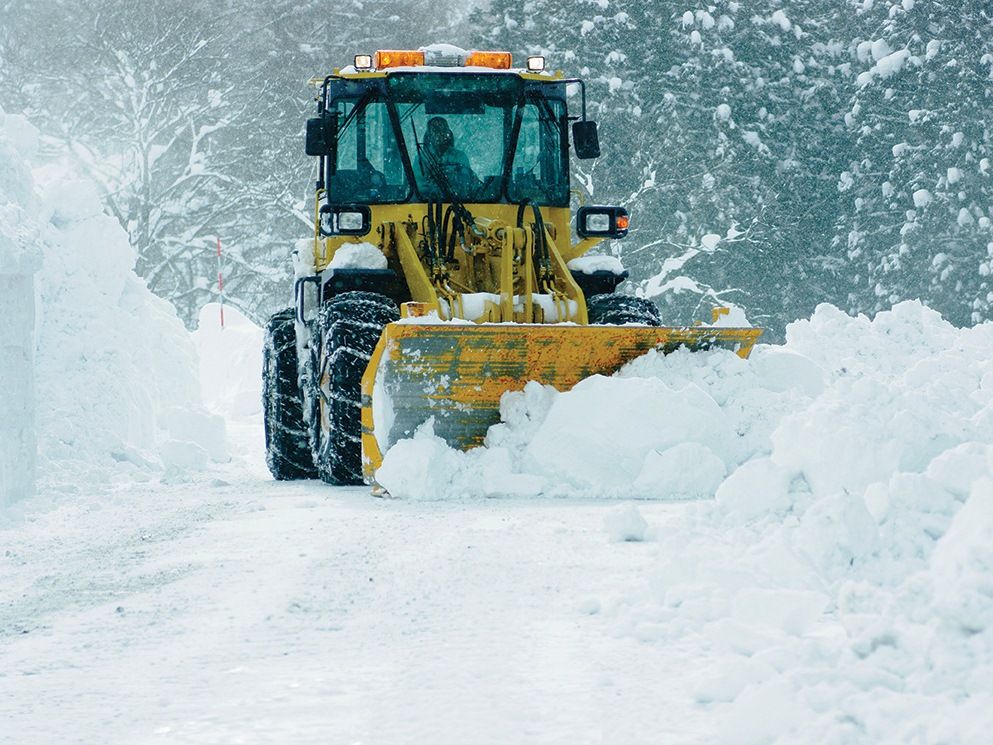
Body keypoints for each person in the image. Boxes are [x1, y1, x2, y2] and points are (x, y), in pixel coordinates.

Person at [414, 116, 481, 198]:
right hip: (428, 206)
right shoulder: (422, 158)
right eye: (435, 130)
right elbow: (420, 188)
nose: (440, 134)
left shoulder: (460, 157)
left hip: (461, 204)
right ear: (429, 136)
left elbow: (467, 183)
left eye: (443, 130)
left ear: (449, 134)